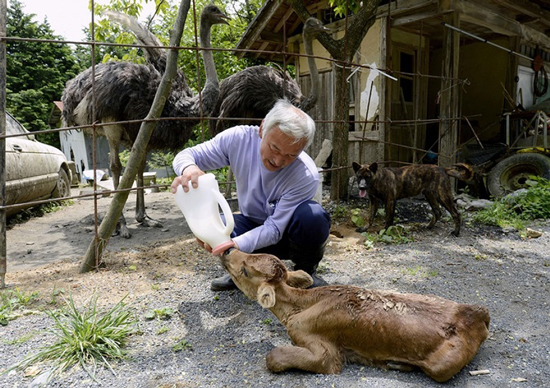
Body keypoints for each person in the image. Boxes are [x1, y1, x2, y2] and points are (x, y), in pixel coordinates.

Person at [171, 99, 331, 291]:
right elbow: (186, 155)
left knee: (313, 216)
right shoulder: (238, 139)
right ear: (262, 129)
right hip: (250, 222)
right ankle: (240, 273)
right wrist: (189, 169)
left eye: (291, 155)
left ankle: (306, 274)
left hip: (288, 235)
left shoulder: (306, 175)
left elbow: (274, 229)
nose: (279, 160)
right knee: (218, 225)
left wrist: (233, 246)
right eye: (275, 148)